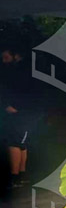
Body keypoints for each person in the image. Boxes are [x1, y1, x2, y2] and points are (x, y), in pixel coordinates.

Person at [1, 46, 38, 188]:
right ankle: (20, 176)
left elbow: (20, 91)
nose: (4, 61)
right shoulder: (22, 70)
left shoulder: (18, 71)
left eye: (6, 58)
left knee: (15, 143)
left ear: (15, 56)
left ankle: (16, 177)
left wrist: (10, 106)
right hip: (24, 111)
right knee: (21, 143)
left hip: (21, 112)